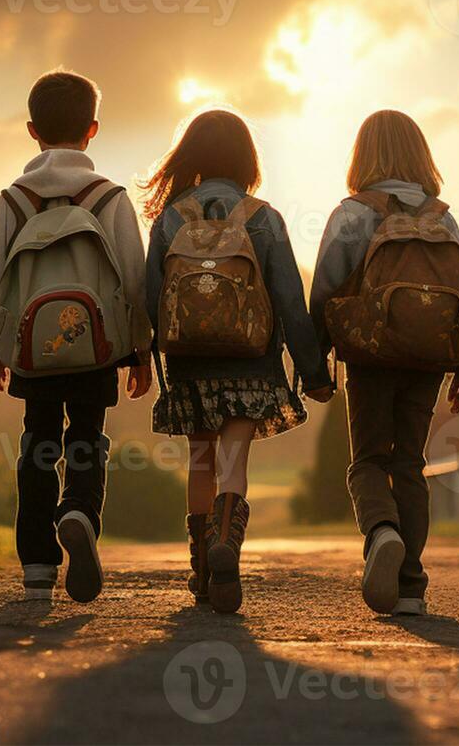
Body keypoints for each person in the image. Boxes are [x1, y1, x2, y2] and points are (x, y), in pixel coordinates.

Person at [142, 108, 334, 614]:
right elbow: (291, 301)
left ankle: (203, 571)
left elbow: (150, 298)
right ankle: (228, 545)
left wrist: (144, 356)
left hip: (188, 364)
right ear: (247, 158)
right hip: (250, 364)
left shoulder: (171, 218)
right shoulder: (263, 217)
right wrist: (313, 372)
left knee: (200, 461)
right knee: (233, 462)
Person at [0, 69, 153, 604]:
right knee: (88, 436)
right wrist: (141, 350)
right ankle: (78, 509)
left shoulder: (14, 199)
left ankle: (35, 563)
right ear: (92, 130)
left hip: (31, 349)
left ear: (31, 130)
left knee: (38, 440)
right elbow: (137, 278)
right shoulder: (110, 197)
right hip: (97, 346)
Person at [309, 109, 459, 617]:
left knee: (368, 460)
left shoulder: (352, 212)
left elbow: (324, 291)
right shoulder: (441, 216)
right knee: (410, 463)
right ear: (419, 154)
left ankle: (382, 532)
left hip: (371, 354)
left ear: (363, 155)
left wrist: (314, 365)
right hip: (429, 358)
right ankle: (411, 586)